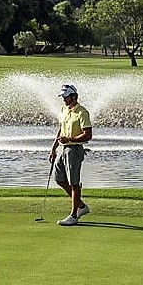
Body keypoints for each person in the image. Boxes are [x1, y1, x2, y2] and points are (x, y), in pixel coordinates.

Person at [49, 84, 93, 226]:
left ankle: (74, 215)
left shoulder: (82, 112)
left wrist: (70, 139)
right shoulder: (64, 109)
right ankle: (81, 206)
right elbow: (61, 129)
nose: (64, 99)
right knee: (59, 179)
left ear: (74, 96)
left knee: (74, 183)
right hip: (62, 149)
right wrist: (54, 148)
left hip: (74, 150)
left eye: (66, 97)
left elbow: (88, 135)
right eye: (63, 97)